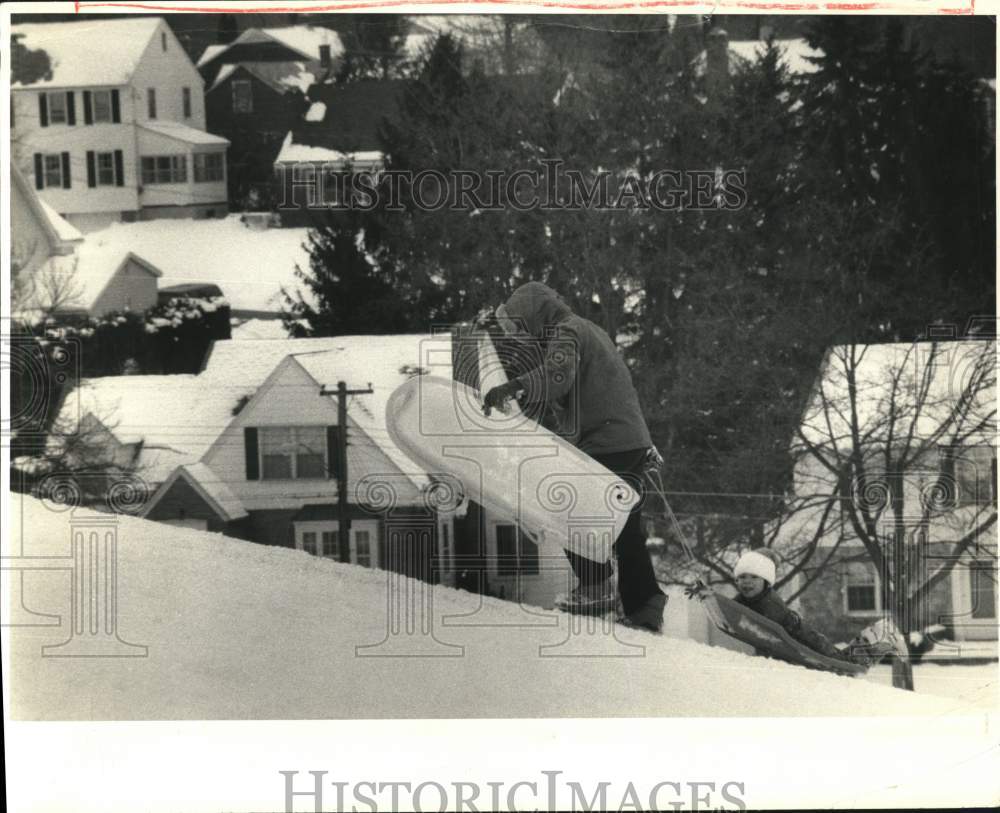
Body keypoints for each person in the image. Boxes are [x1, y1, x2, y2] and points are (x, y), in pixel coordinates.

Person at [480, 281, 668, 632]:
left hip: (608, 441)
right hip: (626, 440)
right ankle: (645, 605)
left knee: (568, 506)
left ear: (535, 315)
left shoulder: (566, 332)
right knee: (624, 526)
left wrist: (512, 385)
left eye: (520, 326)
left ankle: (597, 588)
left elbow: (557, 377)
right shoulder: (588, 329)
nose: (520, 336)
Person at [730, 548, 900, 666]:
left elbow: (770, 635)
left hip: (805, 638)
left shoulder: (770, 602)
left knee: (843, 662)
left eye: (754, 577)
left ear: (766, 581)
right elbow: (731, 608)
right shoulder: (745, 598)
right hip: (797, 639)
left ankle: (882, 639)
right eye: (742, 577)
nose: (747, 582)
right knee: (842, 657)